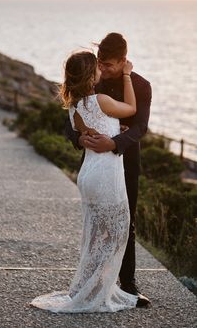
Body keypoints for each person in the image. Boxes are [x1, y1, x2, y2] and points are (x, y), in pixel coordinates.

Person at [30, 51, 149, 313]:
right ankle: (95, 290)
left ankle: (89, 286)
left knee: (97, 235)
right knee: (116, 233)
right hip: (106, 174)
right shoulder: (102, 99)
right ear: (90, 75)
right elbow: (131, 108)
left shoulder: (75, 105)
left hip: (88, 175)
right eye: (97, 67)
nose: (100, 70)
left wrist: (117, 133)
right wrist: (127, 75)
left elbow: (98, 128)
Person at [65, 33, 152, 303]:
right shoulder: (92, 85)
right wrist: (80, 138)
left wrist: (113, 142)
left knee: (127, 223)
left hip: (125, 162)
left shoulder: (141, 85)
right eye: (100, 63)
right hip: (96, 165)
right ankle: (96, 284)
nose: (103, 69)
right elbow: (69, 122)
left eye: (109, 65)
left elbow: (139, 126)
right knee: (102, 225)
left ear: (124, 60)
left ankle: (127, 285)